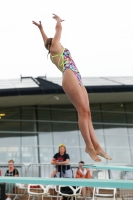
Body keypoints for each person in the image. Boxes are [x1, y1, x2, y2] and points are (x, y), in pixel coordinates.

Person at [32, 14, 112, 162]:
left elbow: (46, 40)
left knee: (88, 112)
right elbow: (58, 30)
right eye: (51, 41)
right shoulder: (54, 47)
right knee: (82, 111)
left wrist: (41, 29)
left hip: (76, 75)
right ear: (51, 45)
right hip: (69, 75)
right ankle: (89, 146)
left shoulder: (55, 46)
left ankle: (97, 146)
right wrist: (58, 20)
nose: (54, 39)